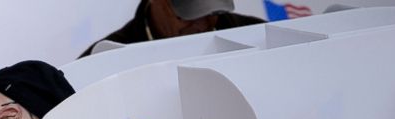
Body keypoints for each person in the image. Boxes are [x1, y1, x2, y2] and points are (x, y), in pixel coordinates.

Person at [79, 0, 265, 57]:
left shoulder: (260, 36)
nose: (203, 25)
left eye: (212, 12)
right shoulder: (104, 60)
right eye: (188, 15)